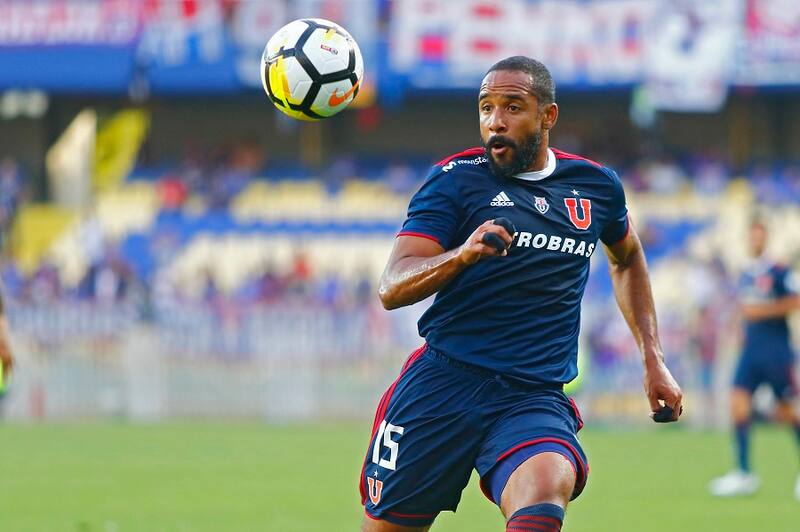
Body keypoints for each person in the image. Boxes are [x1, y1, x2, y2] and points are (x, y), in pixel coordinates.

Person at [358, 56, 683, 532]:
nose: (496, 122)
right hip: (442, 386)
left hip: (532, 395)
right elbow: (392, 286)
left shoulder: (594, 187)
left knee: (547, 482)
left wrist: (652, 358)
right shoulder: (455, 179)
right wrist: (462, 255)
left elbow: (627, 255)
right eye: (486, 108)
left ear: (547, 116)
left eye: (513, 107)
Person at [709, 219, 800, 499]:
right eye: (752, 236)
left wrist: (760, 311)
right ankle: (744, 473)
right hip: (750, 352)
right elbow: (743, 308)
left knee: (786, 411)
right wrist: (739, 328)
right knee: (738, 405)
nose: (755, 241)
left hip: (775, 351)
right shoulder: (746, 274)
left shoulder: (780, 271)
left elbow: (795, 301)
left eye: (760, 236)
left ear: (766, 238)